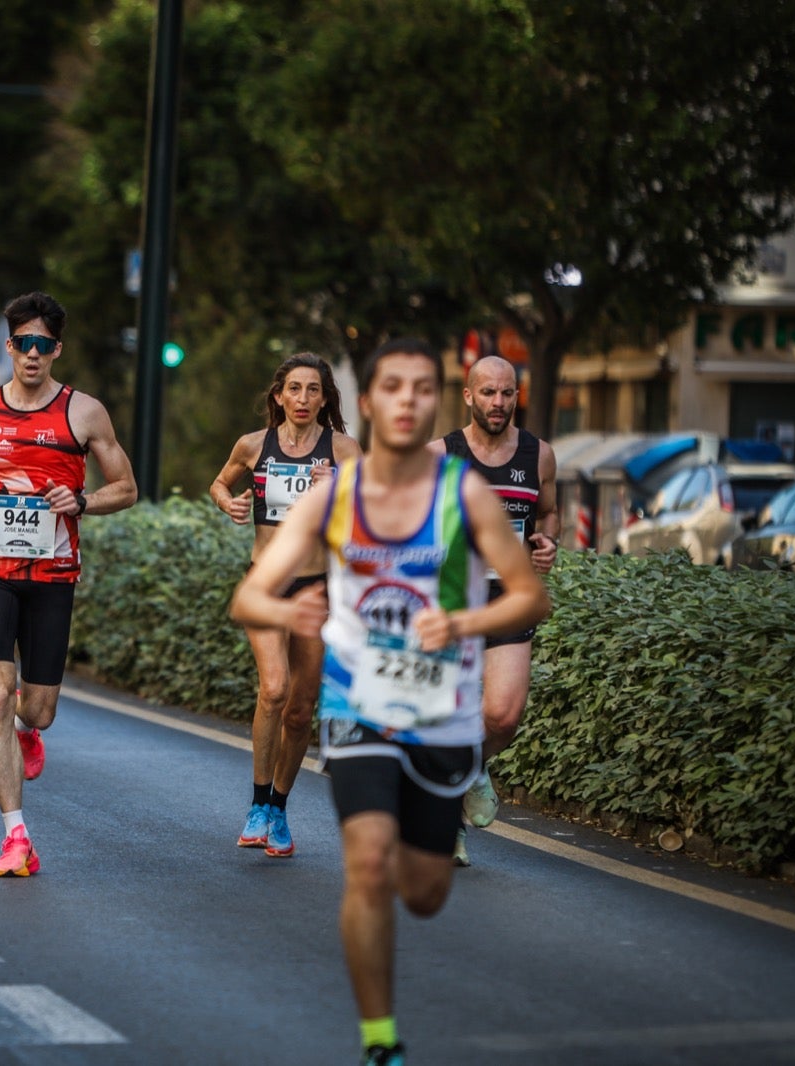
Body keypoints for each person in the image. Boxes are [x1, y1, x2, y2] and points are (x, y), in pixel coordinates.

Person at [231, 338, 549, 1066]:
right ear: (369, 403)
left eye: (422, 388)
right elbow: (249, 593)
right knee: (368, 866)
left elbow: (532, 596)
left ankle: (434, 820)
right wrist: (292, 611)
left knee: (426, 890)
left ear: (436, 402)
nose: (407, 399)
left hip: (440, 710)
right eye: (392, 387)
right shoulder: (335, 496)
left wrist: (464, 622)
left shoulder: (464, 495)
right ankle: (381, 1042)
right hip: (360, 705)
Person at [0, 291, 137, 877]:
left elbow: (125, 487)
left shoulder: (84, 413)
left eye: (43, 345)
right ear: (8, 347)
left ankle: (30, 729)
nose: (31, 354)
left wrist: (82, 500)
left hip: (53, 573)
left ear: (57, 350)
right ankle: (16, 837)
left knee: (39, 708)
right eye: (22, 343)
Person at [210, 354, 361, 857]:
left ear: (324, 397)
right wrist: (226, 502)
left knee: (300, 711)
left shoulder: (344, 450)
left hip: (318, 590)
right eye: (293, 389)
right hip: (267, 584)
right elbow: (220, 481)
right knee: (273, 689)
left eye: (312, 390)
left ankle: (278, 806)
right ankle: (256, 804)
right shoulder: (254, 445)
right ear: (278, 395)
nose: (301, 399)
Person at [428, 354, 559, 866]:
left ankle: (465, 772)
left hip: (508, 595)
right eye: (488, 393)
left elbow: (547, 512)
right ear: (468, 396)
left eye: (507, 393)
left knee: (503, 717)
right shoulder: (440, 454)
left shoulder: (539, 455)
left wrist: (548, 542)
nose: (499, 403)